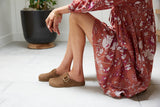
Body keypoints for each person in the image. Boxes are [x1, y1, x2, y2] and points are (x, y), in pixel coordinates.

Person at [39, 0, 156, 98]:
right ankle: (63, 68)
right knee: (76, 15)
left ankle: (76, 75)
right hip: (129, 49)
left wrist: (57, 11)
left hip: (127, 61)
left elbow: (93, 2)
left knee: (76, 16)